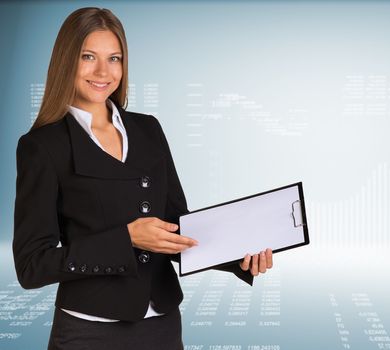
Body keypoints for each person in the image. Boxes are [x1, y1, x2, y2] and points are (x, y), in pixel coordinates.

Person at [12, 7, 273, 350]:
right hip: (88, 334)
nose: (103, 71)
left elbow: (177, 228)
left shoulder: (148, 129)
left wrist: (238, 256)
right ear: (66, 62)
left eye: (114, 58)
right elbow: (32, 266)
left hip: (162, 328)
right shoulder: (43, 146)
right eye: (88, 56)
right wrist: (127, 239)